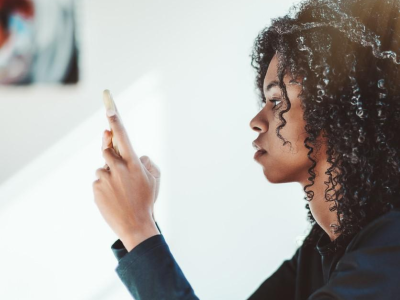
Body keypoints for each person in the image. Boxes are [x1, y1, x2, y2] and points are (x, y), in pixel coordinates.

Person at [92, 0, 400, 299]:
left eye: (276, 101)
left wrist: (138, 228)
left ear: (337, 109)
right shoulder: (320, 248)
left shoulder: (390, 253)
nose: (256, 121)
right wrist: (138, 225)